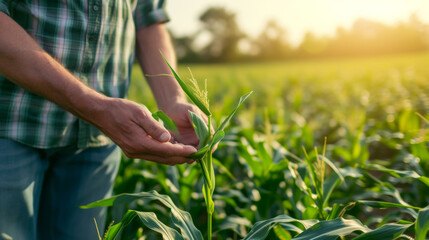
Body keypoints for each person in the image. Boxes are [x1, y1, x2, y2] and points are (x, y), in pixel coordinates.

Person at [0, 0, 205, 239]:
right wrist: (96, 107)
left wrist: (172, 99)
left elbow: (147, 18)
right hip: (10, 126)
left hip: (100, 141)